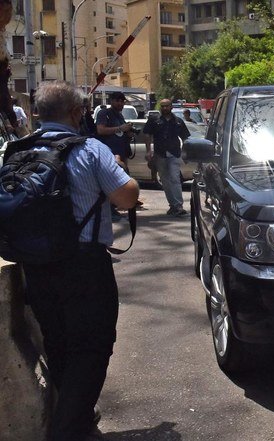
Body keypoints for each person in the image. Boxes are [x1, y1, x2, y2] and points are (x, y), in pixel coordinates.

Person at [21, 81, 139, 441]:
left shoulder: (16, 148)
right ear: (76, 113)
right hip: (84, 266)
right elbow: (126, 198)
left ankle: (78, 417)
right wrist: (118, 168)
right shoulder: (91, 149)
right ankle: (67, 430)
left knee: (57, 341)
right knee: (93, 346)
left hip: (35, 266)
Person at [143, 99, 190, 216]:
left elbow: (185, 138)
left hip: (174, 154)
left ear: (171, 107)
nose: (164, 108)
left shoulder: (178, 121)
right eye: (162, 106)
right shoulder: (154, 120)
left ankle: (179, 206)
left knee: (175, 178)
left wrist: (186, 153)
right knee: (165, 181)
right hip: (160, 154)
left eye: (167, 106)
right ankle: (173, 205)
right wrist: (148, 150)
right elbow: (147, 134)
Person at [95, 92, 134, 220]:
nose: (120, 104)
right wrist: (120, 128)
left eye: (122, 101)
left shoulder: (119, 115)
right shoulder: (104, 113)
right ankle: (109, 212)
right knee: (110, 182)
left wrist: (128, 132)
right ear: (111, 101)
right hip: (109, 154)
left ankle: (113, 210)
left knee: (118, 182)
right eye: (118, 101)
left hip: (121, 153)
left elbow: (122, 132)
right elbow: (100, 130)